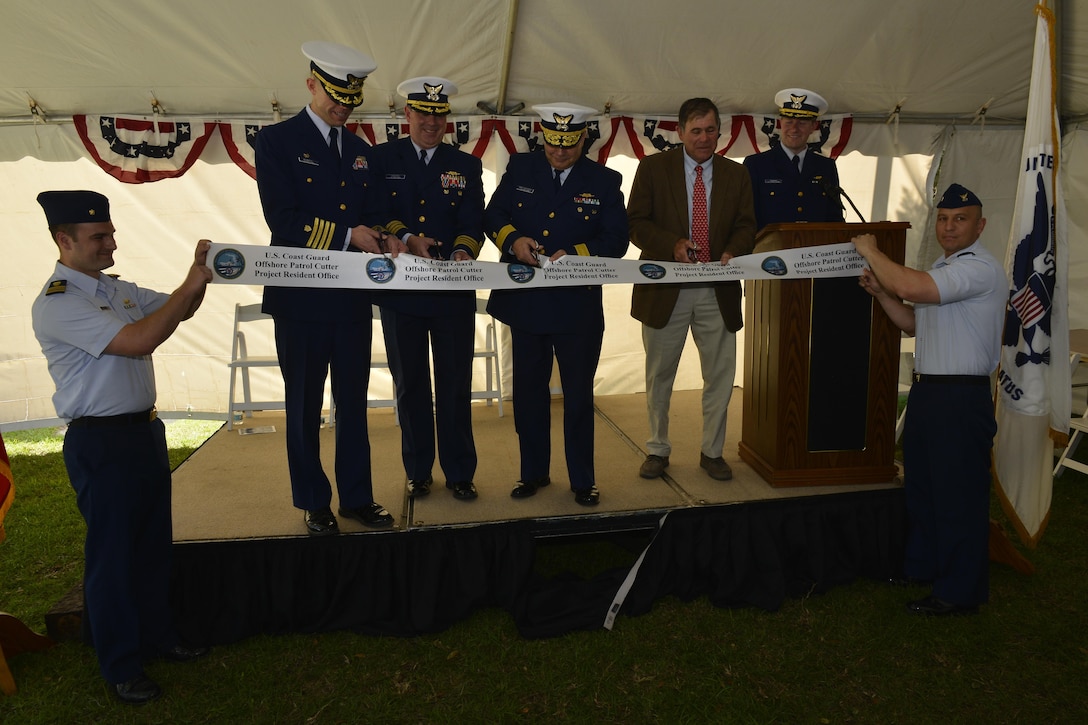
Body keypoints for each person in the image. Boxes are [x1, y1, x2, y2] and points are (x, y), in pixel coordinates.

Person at [30, 190, 211, 703]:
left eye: (109, 232)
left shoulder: (110, 288)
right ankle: (120, 664)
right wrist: (189, 285)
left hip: (142, 433)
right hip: (101, 443)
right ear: (64, 241)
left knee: (152, 547)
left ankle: (157, 638)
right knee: (112, 558)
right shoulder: (60, 300)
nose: (112, 242)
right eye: (98, 237)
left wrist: (203, 270)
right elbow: (139, 340)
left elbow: (182, 308)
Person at [255, 41, 405, 536]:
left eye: (351, 100)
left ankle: (357, 498)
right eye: (334, 97)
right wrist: (348, 236)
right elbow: (283, 218)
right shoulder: (276, 141)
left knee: (354, 402)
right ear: (311, 84)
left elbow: (376, 217)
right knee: (303, 404)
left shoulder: (362, 153)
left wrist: (393, 237)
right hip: (299, 299)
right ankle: (313, 500)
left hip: (351, 300)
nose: (342, 107)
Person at [852, 183, 1006, 616]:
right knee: (924, 489)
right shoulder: (946, 266)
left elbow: (914, 288)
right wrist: (883, 293)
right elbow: (912, 322)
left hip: (959, 397)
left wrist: (871, 250)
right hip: (930, 392)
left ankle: (959, 592)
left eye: (960, 219)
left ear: (980, 225)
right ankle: (925, 567)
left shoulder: (977, 268)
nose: (949, 226)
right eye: (942, 218)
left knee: (957, 495)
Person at [485, 103, 628, 506]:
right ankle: (533, 473)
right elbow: (492, 214)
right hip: (526, 303)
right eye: (553, 143)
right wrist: (513, 239)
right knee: (529, 394)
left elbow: (616, 240)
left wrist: (577, 254)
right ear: (542, 135)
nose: (560, 151)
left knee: (578, 397)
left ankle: (583, 479)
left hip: (576, 308)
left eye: (569, 144)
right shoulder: (520, 168)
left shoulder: (604, 180)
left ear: (583, 138)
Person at [628, 97, 757, 482]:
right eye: (696, 130)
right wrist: (672, 245)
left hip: (717, 288)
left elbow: (748, 225)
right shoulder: (652, 169)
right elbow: (635, 223)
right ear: (680, 131)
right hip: (664, 289)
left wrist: (735, 249)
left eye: (711, 130)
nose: (704, 138)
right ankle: (657, 449)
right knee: (659, 374)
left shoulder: (737, 174)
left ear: (721, 132)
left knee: (720, 375)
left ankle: (712, 452)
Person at [371, 77, 484, 501]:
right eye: (423, 113)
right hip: (401, 293)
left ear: (447, 119)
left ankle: (459, 471)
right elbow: (378, 212)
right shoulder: (382, 159)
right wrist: (407, 235)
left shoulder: (466, 165)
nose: (431, 122)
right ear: (407, 115)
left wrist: (461, 252)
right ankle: (418, 470)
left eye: (439, 115)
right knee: (410, 383)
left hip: (452, 292)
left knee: (455, 384)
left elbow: (474, 222)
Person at [743, 88, 844, 230]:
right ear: (780, 123)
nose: (794, 129)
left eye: (802, 123)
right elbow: (745, 218)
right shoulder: (756, 164)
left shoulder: (825, 166)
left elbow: (835, 218)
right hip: (771, 250)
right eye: (789, 121)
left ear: (813, 126)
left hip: (814, 249)